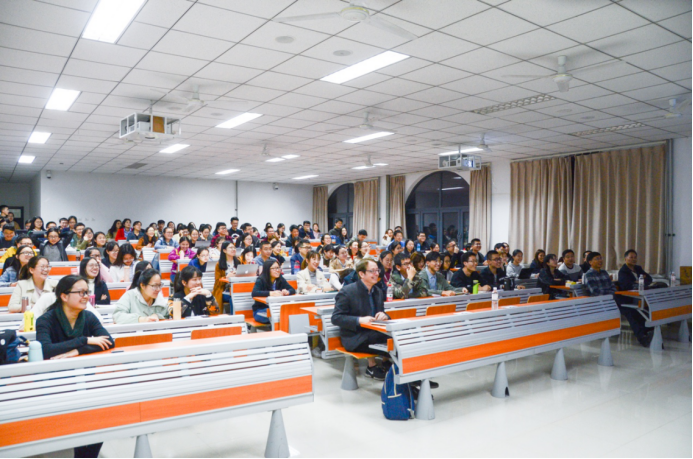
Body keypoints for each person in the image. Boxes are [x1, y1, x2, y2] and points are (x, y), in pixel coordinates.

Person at [35, 275, 113, 458]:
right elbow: (46, 350)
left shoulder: (88, 317)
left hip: (85, 382)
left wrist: (77, 351)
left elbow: (109, 341)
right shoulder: (46, 320)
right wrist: (84, 340)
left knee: (99, 420)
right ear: (64, 296)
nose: (86, 296)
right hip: (55, 384)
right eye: (81, 292)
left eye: (87, 292)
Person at [332, 259, 391, 381]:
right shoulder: (347, 291)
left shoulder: (377, 291)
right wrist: (359, 320)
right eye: (372, 271)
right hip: (355, 337)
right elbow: (336, 318)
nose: (376, 274)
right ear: (361, 274)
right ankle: (403, 377)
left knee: (400, 340)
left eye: (377, 270)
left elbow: (381, 313)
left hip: (373, 334)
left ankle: (407, 376)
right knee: (395, 344)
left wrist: (384, 315)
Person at [583, 252, 652, 348]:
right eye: (597, 259)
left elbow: (613, 287)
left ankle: (646, 331)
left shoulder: (604, 272)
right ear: (590, 262)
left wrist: (611, 293)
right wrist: (611, 293)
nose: (600, 260)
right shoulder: (588, 275)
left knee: (633, 309)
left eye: (601, 258)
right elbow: (595, 292)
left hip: (611, 299)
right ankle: (642, 337)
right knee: (629, 310)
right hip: (601, 302)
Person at [251, 259, 296, 324]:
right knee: (277, 316)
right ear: (267, 270)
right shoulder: (261, 279)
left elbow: (292, 290)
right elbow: (254, 293)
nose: (277, 270)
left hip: (276, 309)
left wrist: (287, 292)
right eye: (274, 268)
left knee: (287, 314)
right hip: (261, 310)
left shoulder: (280, 279)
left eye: (278, 268)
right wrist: (271, 293)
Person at [213, 241, 240, 311]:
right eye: (231, 248)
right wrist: (227, 277)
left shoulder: (238, 261)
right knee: (233, 299)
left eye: (234, 247)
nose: (233, 249)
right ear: (224, 250)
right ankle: (233, 316)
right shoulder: (219, 264)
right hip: (224, 290)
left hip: (238, 288)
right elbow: (217, 282)